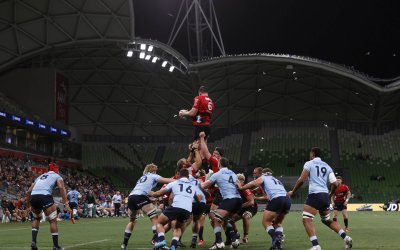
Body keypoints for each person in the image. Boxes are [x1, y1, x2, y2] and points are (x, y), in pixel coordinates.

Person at [287, 147, 353, 250]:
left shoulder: (309, 163)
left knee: (307, 220)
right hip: (324, 195)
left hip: (315, 195)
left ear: (312, 154)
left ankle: (316, 246)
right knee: (326, 220)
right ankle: (346, 238)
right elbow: (335, 183)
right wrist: (330, 195)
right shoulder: (327, 166)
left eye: (310, 154)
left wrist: (293, 191)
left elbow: (301, 180)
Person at [120, 164, 174, 250]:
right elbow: (166, 180)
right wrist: (179, 179)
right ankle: (158, 243)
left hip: (131, 197)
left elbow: (143, 189)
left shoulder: (142, 177)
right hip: (140, 196)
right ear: (153, 171)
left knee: (132, 221)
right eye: (156, 170)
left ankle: (124, 244)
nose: (156, 172)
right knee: (155, 218)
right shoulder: (153, 175)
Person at [150, 168, 203, 250]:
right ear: (188, 176)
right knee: (178, 227)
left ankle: (161, 240)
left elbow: (158, 194)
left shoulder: (175, 183)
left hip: (176, 206)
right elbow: (198, 199)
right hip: (187, 211)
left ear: (179, 175)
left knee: (159, 223)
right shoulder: (192, 186)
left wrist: (150, 192)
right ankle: (173, 245)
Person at [238, 168, 290, 250]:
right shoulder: (275, 180)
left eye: (255, 173)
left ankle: (276, 238)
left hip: (277, 199)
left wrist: (241, 187)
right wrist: (252, 191)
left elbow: (254, 184)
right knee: (277, 223)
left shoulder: (263, 177)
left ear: (261, 173)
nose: (253, 175)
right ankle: (277, 243)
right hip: (287, 200)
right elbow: (256, 189)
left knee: (266, 222)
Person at [26, 165, 71, 250]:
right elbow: (61, 188)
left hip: (33, 197)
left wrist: (28, 206)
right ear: (57, 171)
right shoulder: (57, 176)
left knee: (36, 219)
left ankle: (33, 242)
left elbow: (28, 191)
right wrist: (66, 204)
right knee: (52, 220)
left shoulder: (40, 176)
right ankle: (55, 246)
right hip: (45, 196)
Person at [201, 157, 242, 250]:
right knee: (225, 220)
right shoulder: (233, 173)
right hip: (238, 200)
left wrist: (196, 183)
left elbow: (205, 185)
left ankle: (219, 243)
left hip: (229, 199)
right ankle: (235, 240)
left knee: (215, 219)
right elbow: (239, 185)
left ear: (219, 164)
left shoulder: (217, 174)